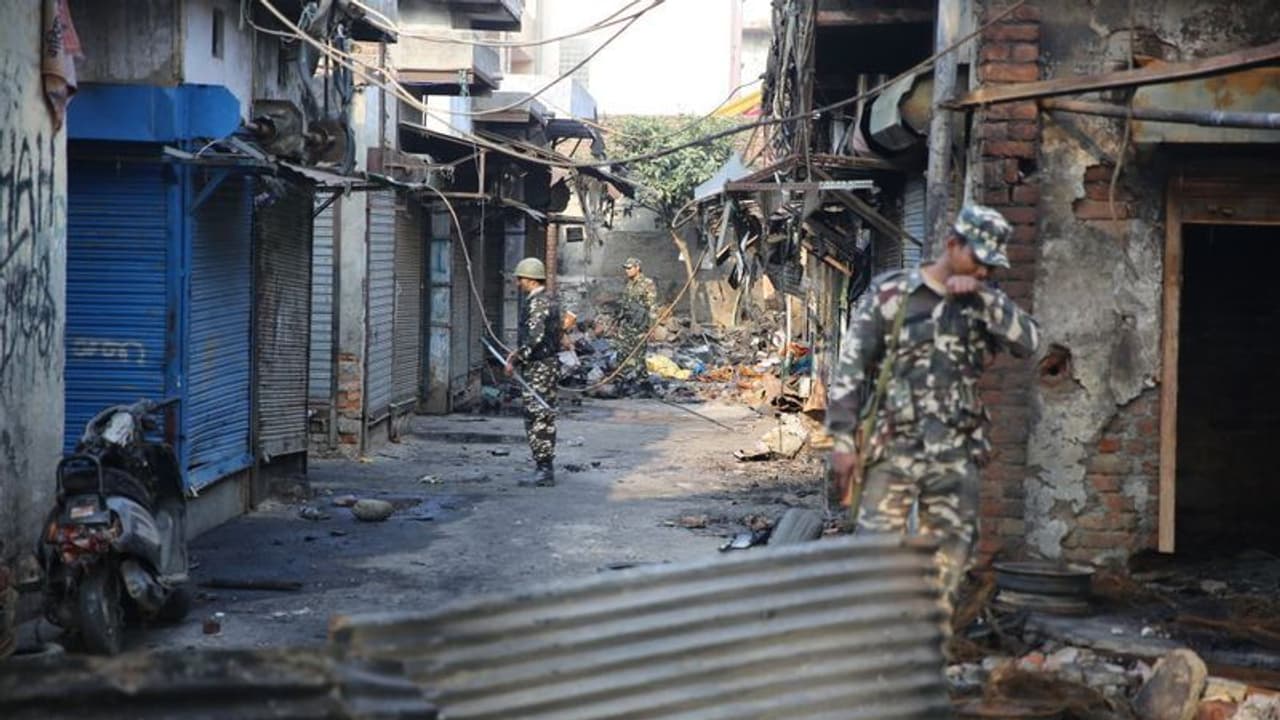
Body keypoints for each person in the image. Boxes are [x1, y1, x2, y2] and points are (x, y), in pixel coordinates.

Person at [826, 204, 1041, 610]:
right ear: (952, 245)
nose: (983, 271)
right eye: (978, 260)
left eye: (991, 266)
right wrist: (841, 441)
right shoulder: (894, 295)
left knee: (947, 570)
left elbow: (1030, 342)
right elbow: (851, 370)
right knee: (875, 564)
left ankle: (926, 652)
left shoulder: (985, 301)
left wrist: (984, 299)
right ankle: (875, 653)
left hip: (957, 456)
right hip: (893, 452)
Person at [505, 258, 562, 487]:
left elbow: (535, 338)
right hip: (543, 366)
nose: (518, 283)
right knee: (540, 414)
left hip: (539, 368)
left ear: (530, 280)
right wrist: (517, 354)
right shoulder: (547, 300)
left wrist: (517, 359)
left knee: (537, 416)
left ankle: (544, 468)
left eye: (521, 279)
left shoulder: (539, 303)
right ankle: (543, 466)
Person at [616, 257, 658, 382]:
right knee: (622, 351)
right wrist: (619, 320)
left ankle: (641, 380)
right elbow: (625, 304)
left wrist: (652, 327)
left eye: (629, 268)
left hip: (640, 324)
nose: (627, 271)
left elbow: (652, 306)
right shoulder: (629, 284)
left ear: (637, 268)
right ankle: (624, 378)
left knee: (638, 353)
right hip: (628, 323)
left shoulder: (647, 283)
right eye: (626, 268)